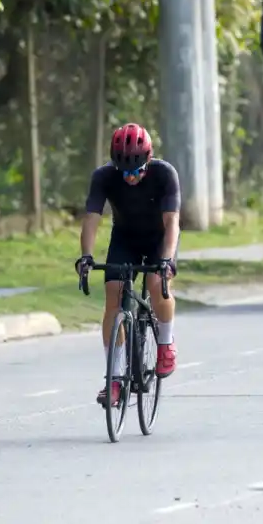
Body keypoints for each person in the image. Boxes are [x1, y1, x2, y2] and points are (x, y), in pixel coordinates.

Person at [75, 122, 180, 408]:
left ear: (149, 159)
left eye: (137, 171)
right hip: (125, 238)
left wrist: (166, 260)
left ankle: (165, 343)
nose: (131, 177)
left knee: (157, 284)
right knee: (113, 294)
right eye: (125, 172)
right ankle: (114, 380)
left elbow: (172, 222)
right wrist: (86, 255)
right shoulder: (103, 176)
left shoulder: (165, 174)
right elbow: (92, 219)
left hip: (159, 238)